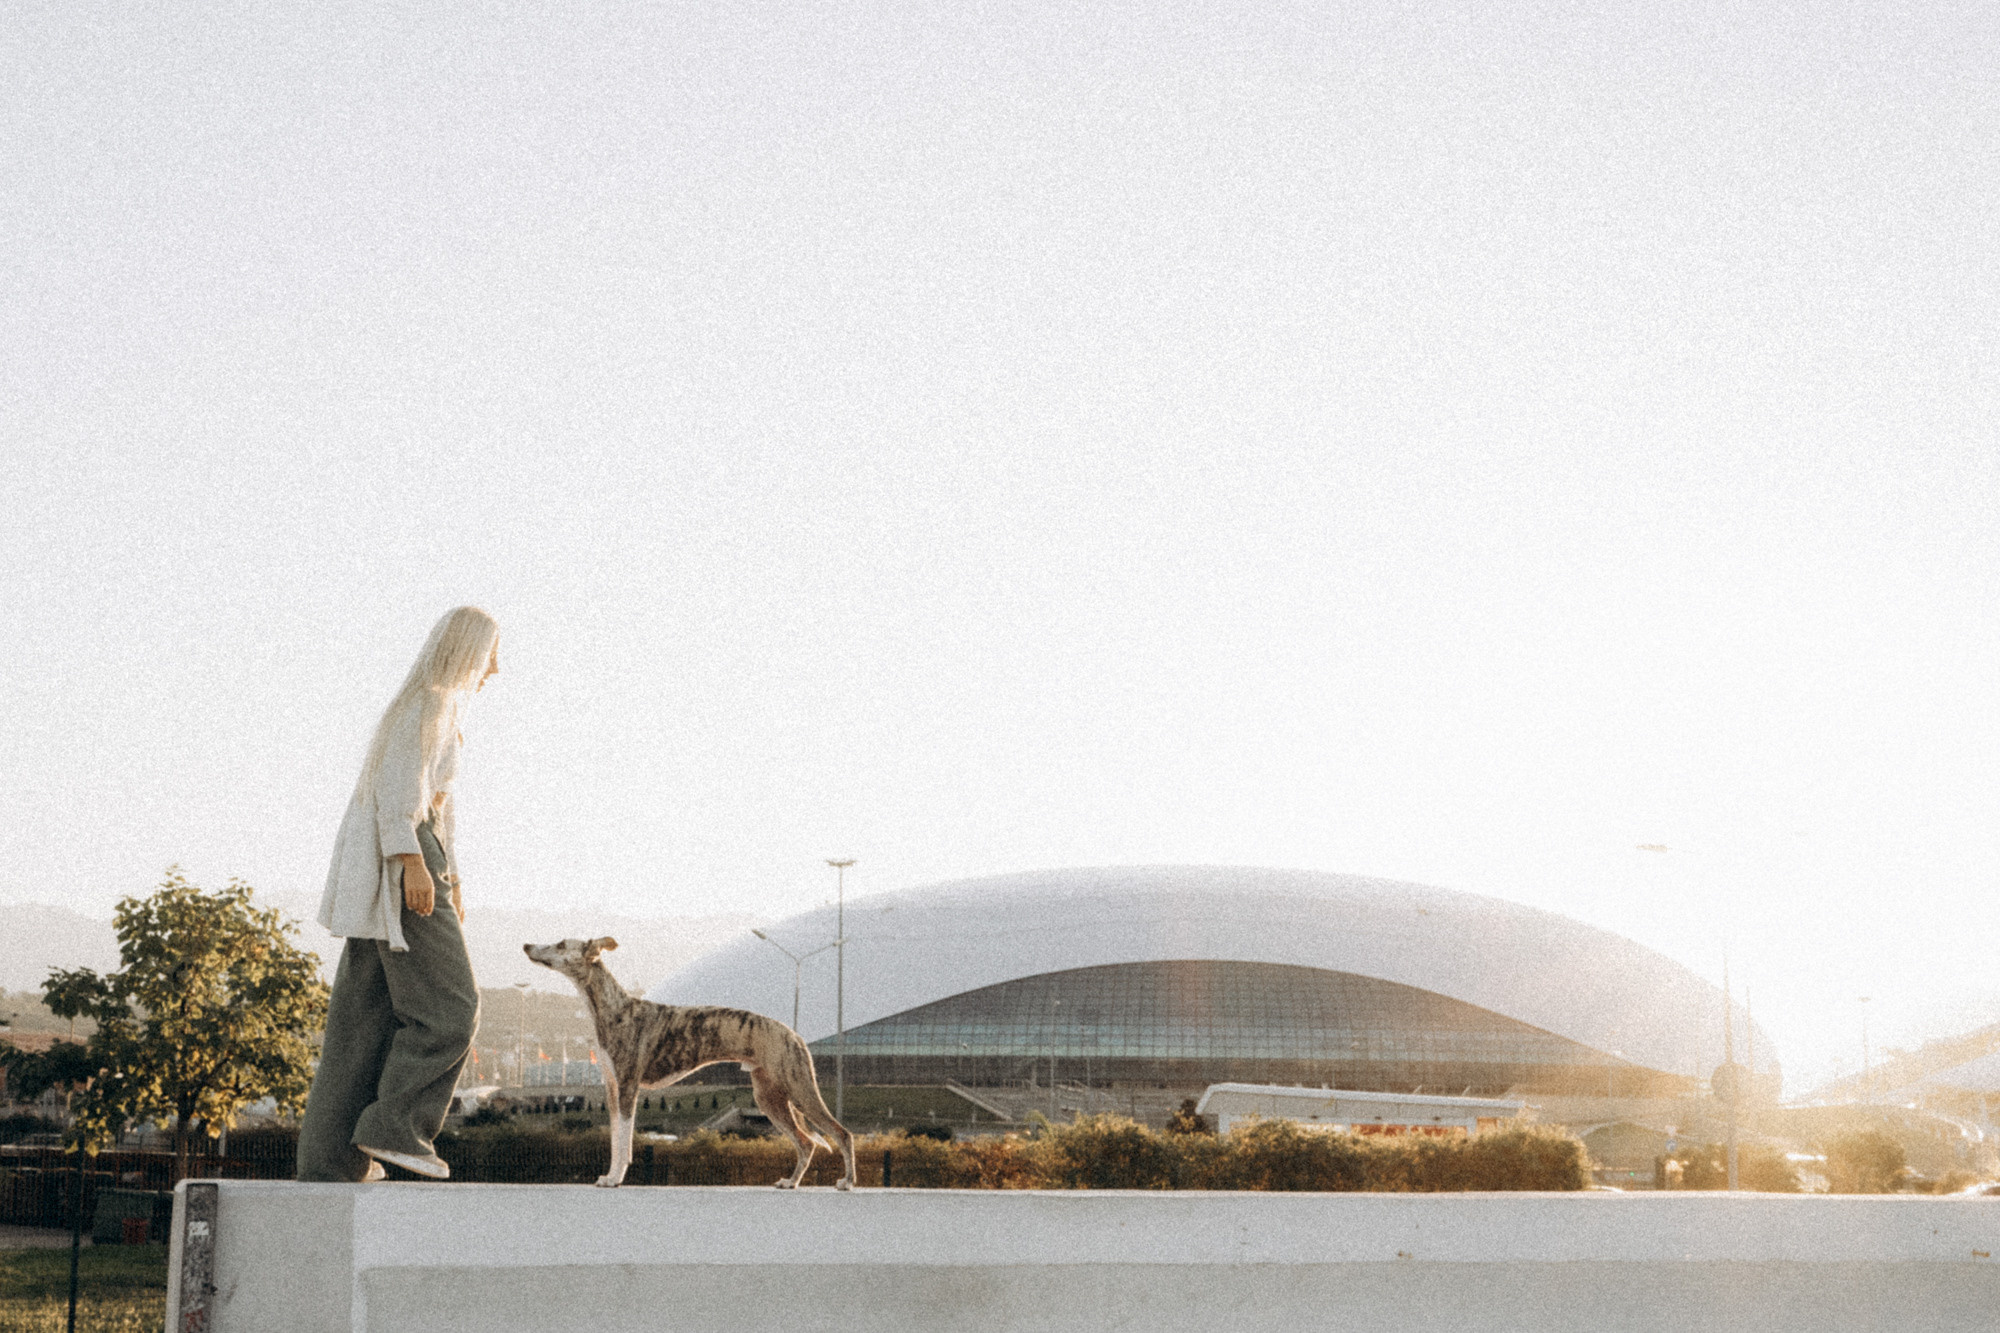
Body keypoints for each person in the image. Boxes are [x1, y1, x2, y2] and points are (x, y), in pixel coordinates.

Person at [297, 606, 499, 1181]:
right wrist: (415, 864)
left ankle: (327, 1165)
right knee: (453, 1010)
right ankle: (397, 1128)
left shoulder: (430, 705)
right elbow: (400, 792)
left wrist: (451, 877)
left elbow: (438, 806)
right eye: (491, 654)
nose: (496, 668)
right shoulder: (432, 702)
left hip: (400, 863)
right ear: (468, 652)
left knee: (363, 1027)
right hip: (405, 861)